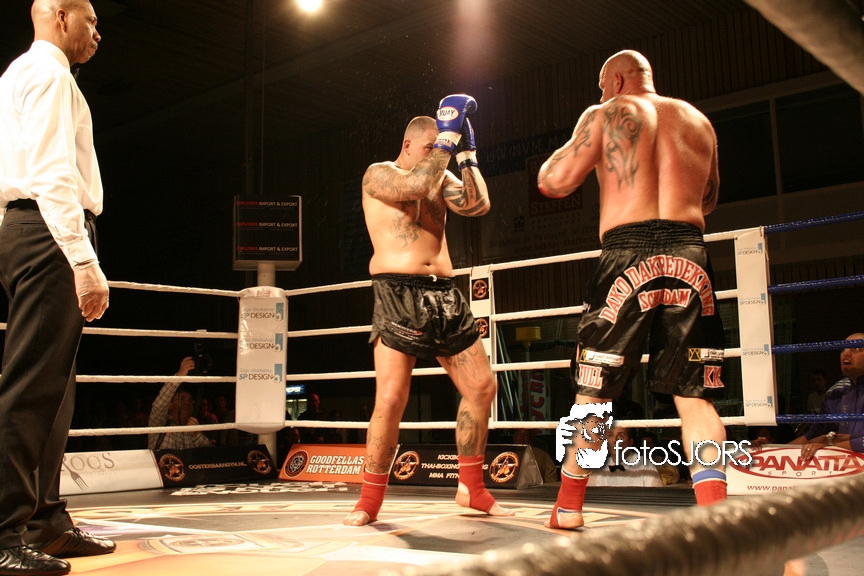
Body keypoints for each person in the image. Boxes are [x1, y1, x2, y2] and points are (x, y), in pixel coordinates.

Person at [537, 50, 727, 529]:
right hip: (690, 254)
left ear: (616, 80)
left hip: (627, 251)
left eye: (602, 86)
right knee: (695, 397)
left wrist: (584, 135)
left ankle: (568, 508)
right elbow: (709, 197)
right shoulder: (698, 121)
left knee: (594, 392)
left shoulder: (606, 113)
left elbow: (554, 182)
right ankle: (717, 519)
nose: (601, 94)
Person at [343, 95, 513, 526]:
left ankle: (471, 488)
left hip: (445, 294)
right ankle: (369, 501)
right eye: (432, 146)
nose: (440, 153)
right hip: (398, 293)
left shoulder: (441, 173)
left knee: (482, 387)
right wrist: (446, 142)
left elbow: (477, 205)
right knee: (391, 398)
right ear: (408, 144)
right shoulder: (379, 174)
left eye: (444, 146)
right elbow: (416, 186)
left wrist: (468, 156)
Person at [0, 1, 114, 573]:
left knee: (53, 388)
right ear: (61, 16)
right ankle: (5, 532)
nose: (97, 33)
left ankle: (44, 523)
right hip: (48, 231)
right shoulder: (48, 74)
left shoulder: (18, 73)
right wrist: (82, 258)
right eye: (90, 21)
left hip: (28, 228)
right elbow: (49, 172)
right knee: (31, 388)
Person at [758, 333, 864, 461]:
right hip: (847, 466)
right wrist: (770, 452)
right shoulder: (837, 393)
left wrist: (830, 442)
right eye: (844, 349)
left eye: (856, 349)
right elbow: (814, 435)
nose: (847, 353)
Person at [148, 357, 213, 450]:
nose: (187, 402)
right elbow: (159, 405)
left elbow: (210, 453)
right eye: (182, 399)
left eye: (190, 400)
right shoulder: (161, 424)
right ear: (170, 405)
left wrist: (197, 435)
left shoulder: (193, 430)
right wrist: (179, 376)